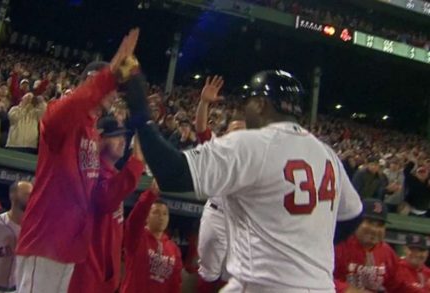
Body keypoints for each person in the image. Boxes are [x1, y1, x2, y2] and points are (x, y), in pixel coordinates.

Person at [123, 69, 363, 292]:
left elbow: (172, 174)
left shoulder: (254, 143)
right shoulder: (327, 153)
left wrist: (141, 114)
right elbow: (353, 216)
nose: (245, 108)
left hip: (265, 285)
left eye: (248, 101)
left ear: (260, 104)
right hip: (320, 286)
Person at [15, 28, 140, 293]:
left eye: (115, 86)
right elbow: (67, 110)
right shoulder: (60, 116)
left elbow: (100, 198)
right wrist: (107, 78)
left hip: (70, 248)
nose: (112, 91)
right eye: (108, 84)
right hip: (46, 240)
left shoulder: (92, 132)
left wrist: (136, 164)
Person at [68, 117, 145, 293]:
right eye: (115, 136)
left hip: (105, 273)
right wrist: (138, 159)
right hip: (86, 271)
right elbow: (107, 199)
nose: (122, 141)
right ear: (100, 139)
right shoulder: (91, 171)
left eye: (124, 137)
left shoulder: (113, 173)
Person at [193, 76, 246, 292]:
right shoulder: (218, 149)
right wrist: (204, 103)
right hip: (216, 215)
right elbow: (201, 129)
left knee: (232, 274)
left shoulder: (256, 158)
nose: (239, 135)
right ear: (226, 134)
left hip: (240, 221)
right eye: (235, 130)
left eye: (244, 132)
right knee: (208, 272)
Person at [334, 199, 424, 293]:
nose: (374, 229)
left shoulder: (387, 253)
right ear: (357, 222)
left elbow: (397, 285)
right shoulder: (339, 245)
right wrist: (346, 290)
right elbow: (320, 276)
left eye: (380, 225)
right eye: (369, 222)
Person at [120, 181, 183, 293]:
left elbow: (175, 283)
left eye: (165, 214)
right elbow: (134, 221)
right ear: (147, 217)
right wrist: (150, 195)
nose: (161, 217)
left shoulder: (174, 249)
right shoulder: (137, 238)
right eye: (156, 212)